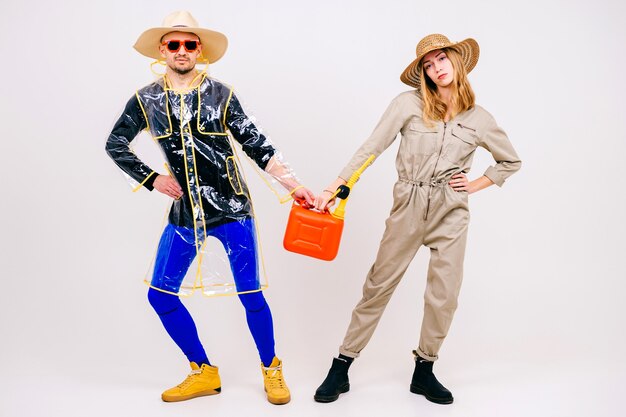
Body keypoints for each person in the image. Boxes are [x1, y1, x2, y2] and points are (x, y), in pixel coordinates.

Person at [105, 11, 315, 405]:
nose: (182, 50)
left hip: (232, 210)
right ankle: (203, 371)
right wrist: (152, 179)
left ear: (199, 50)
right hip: (186, 215)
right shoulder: (145, 100)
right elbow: (115, 143)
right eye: (174, 44)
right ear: (162, 50)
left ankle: (271, 368)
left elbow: (258, 145)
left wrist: (296, 187)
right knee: (160, 296)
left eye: (189, 44)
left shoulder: (222, 94)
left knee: (250, 293)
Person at [313, 34, 521, 405]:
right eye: (428, 64)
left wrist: (473, 184)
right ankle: (341, 366)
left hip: (450, 210)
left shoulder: (480, 118)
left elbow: (510, 161)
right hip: (408, 203)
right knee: (378, 286)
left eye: (441, 59)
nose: (436, 68)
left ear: (457, 62)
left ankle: (424, 371)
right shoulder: (407, 105)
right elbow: (371, 148)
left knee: (444, 296)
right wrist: (335, 186)